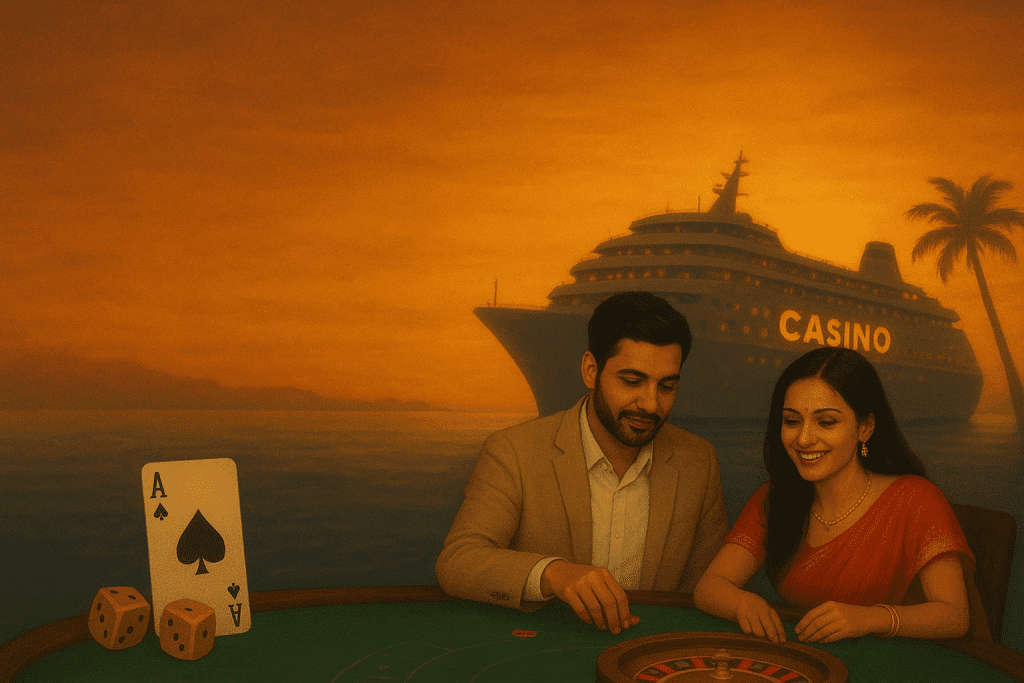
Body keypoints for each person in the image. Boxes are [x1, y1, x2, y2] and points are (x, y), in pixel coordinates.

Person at [437, 291, 728, 634]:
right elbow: (457, 562)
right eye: (632, 382)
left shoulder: (700, 460)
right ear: (591, 371)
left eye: (666, 386)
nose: (650, 404)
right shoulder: (513, 450)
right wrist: (554, 573)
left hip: (647, 652)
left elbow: (708, 586)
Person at [694, 347, 984, 644]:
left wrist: (870, 617)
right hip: (812, 659)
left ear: (865, 427)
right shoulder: (775, 497)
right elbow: (709, 588)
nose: (804, 439)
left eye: (826, 422)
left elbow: (954, 617)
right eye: (792, 421)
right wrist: (744, 603)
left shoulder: (916, 499)